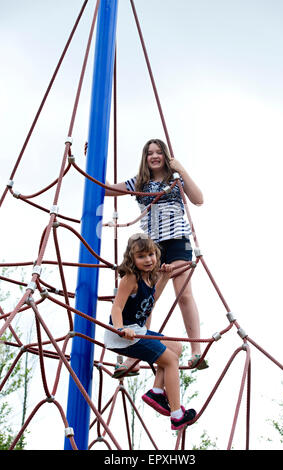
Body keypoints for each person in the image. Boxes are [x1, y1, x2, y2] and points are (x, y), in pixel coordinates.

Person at [105, 138, 207, 371]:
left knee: (183, 294)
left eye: (159, 152)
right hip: (153, 248)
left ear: (165, 155)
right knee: (146, 299)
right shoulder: (138, 182)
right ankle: (134, 356)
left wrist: (181, 169)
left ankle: (195, 351)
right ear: (145, 157)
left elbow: (199, 200)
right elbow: (106, 190)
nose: (154, 156)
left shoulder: (175, 179)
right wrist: (93, 161)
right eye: (150, 152)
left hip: (178, 241)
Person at [104, 233, 196, 430]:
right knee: (170, 360)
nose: (148, 260)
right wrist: (120, 329)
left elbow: (152, 301)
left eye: (151, 254)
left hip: (137, 330)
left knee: (176, 348)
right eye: (141, 256)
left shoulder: (148, 278)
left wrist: (165, 277)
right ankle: (176, 414)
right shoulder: (130, 278)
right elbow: (117, 307)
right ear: (132, 258)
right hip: (123, 335)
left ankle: (156, 391)